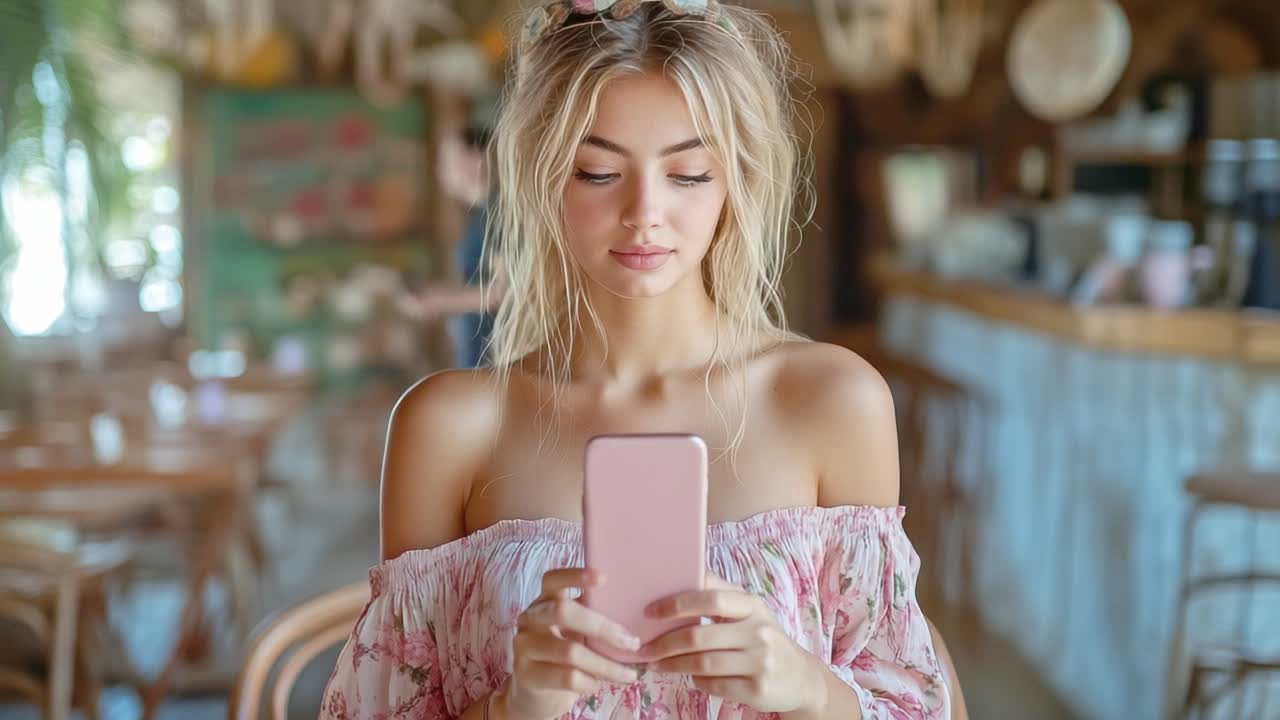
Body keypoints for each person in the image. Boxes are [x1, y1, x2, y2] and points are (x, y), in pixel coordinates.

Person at [321, 1, 956, 718]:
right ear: (539, 174)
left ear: (737, 180)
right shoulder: (449, 424)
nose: (645, 211)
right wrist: (514, 705)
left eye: (688, 174)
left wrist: (809, 688)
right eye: (597, 172)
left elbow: (915, 700)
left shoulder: (832, 400)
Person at [402, 124, 502, 368]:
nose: (440, 171)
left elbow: (509, 291)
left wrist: (442, 300)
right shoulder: (479, 215)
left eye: (448, 159)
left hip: (496, 356)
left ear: (477, 154)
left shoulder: (499, 211)